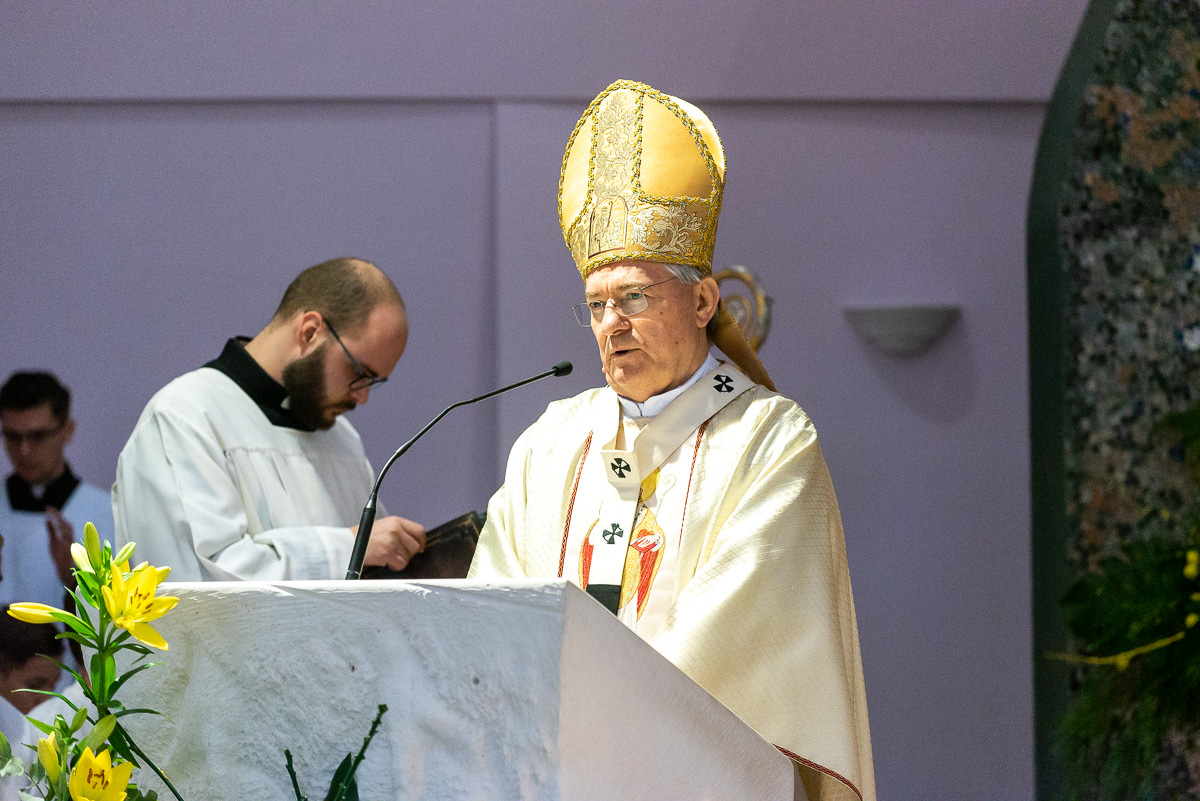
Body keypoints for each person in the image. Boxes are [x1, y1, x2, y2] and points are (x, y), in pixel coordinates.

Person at [468, 81, 874, 801]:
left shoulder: (769, 440)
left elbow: (741, 629)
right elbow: (493, 613)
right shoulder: (550, 445)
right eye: (596, 305)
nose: (612, 324)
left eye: (635, 297)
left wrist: (604, 732)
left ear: (704, 300)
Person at [112, 257, 426, 581]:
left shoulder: (342, 438)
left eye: (374, 382)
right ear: (310, 332)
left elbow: (374, 582)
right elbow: (200, 583)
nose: (363, 397)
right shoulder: (183, 417)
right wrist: (348, 547)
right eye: (359, 373)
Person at [0, 372, 112, 609]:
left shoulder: (106, 513)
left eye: (37, 436)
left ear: (67, 430)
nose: (24, 450)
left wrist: (74, 579)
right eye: (12, 437)